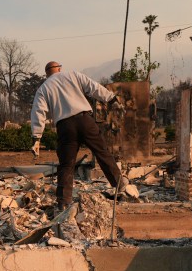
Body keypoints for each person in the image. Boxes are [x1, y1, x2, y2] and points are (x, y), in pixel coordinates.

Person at [30, 61, 127, 209]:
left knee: (66, 164)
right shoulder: (72, 75)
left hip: (65, 127)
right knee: (102, 152)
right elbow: (93, 87)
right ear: (59, 69)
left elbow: (38, 112)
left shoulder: (43, 88)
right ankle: (120, 185)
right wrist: (111, 99)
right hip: (85, 121)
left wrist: (36, 138)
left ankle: (63, 201)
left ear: (47, 73)